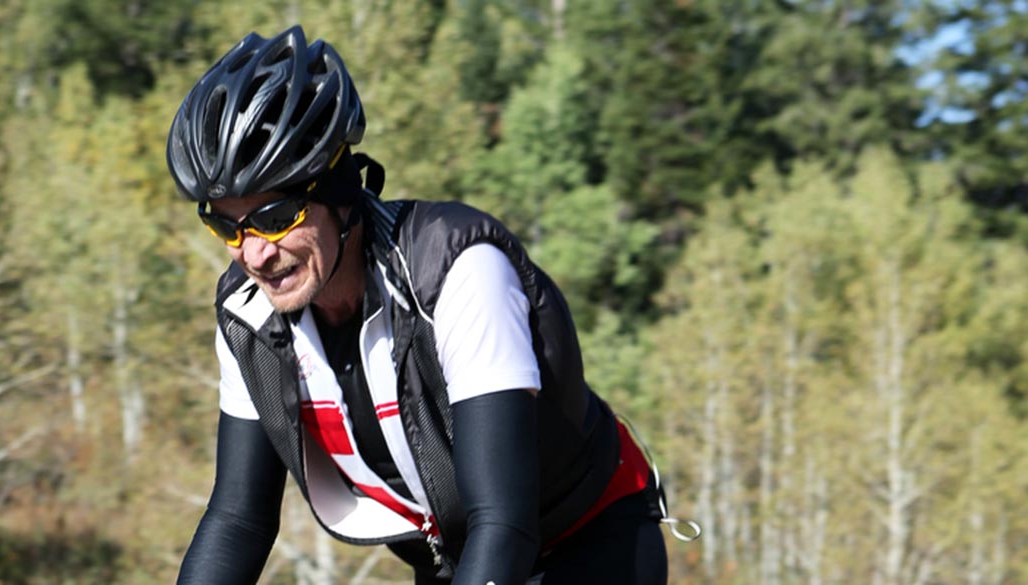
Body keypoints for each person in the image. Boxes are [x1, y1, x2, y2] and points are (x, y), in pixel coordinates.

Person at [167, 25, 693, 585]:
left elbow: (504, 524)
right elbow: (238, 522)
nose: (254, 254)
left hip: (585, 543)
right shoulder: (248, 314)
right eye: (226, 225)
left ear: (339, 192)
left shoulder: (458, 273)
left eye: (276, 219)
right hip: (458, 556)